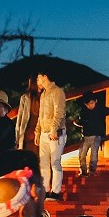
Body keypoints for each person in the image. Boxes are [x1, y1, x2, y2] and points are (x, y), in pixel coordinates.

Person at [36, 72, 68, 200]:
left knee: (55, 162)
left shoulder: (57, 92)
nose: (37, 79)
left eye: (39, 77)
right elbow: (40, 115)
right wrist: (37, 132)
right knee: (43, 163)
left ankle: (56, 191)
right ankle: (45, 190)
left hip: (55, 132)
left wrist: (54, 129)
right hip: (44, 132)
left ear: (45, 76)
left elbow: (59, 112)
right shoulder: (43, 94)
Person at [75, 91, 109, 176]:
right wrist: (77, 123)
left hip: (96, 136)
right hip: (85, 136)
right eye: (88, 104)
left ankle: (92, 169)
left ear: (95, 101)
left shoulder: (100, 109)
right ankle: (83, 170)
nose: (90, 105)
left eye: (92, 103)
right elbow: (82, 122)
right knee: (82, 153)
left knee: (94, 153)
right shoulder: (83, 111)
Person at [15, 77, 42, 157]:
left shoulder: (45, 97)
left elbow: (19, 120)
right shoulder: (26, 97)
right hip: (31, 132)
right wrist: (17, 138)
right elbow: (19, 120)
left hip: (35, 132)